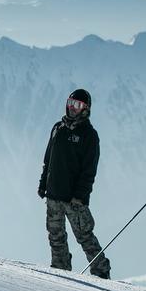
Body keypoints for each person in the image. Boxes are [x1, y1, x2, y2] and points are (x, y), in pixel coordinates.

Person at [38, 89, 110, 278]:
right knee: (55, 236)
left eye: (77, 105)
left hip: (74, 199)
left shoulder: (89, 135)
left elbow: (89, 169)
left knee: (85, 236)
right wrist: (43, 183)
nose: (72, 108)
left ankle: (101, 271)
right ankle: (61, 270)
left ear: (86, 109)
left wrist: (80, 195)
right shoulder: (58, 128)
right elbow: (48, 158)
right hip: (53, 194)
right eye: (70, 103)